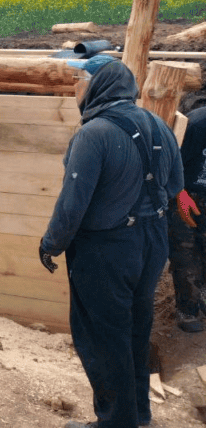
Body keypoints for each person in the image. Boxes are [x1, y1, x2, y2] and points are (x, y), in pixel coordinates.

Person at [39, 59, 183, 428]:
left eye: (78, 79)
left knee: (104, 337)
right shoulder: (158, 125)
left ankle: (115, 422)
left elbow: (73, 203)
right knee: (135, 327)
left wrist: (51, 243)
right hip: (151, 242)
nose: (75, 87)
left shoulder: (94, 133)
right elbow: (174, 186)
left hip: (106, 250)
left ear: (95, 85)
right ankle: (137, 414)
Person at [169, 106, 206, 332]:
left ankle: (203, 296)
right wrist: (179, 193)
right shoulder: (197, 124)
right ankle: (187, 310)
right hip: (187, 194)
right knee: (185, 252)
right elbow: (173, 162)